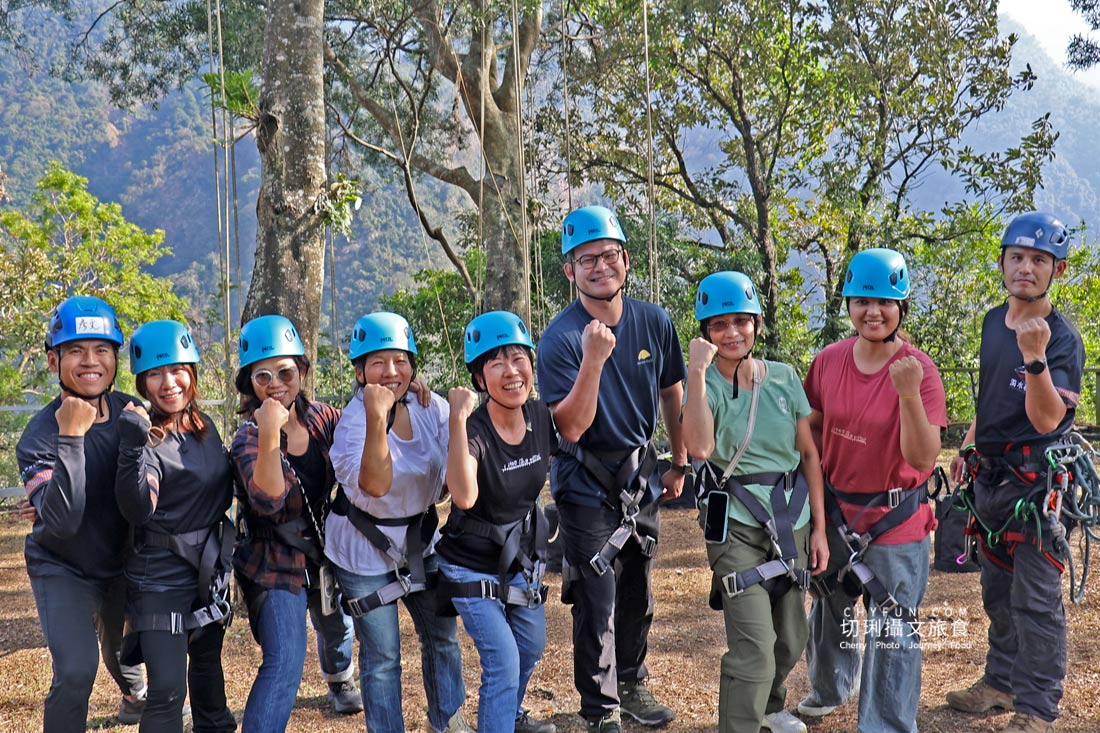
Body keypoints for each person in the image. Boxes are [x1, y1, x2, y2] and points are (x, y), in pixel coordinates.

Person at [536, 204, 688, 733]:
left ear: (626, 259)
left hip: (640, 475)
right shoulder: (560, 338)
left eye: (608, 256)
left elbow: (671, 390)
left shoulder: (653, 320)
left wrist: (679, 460)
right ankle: (600, 708)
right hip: (584, 481)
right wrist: (594, 360)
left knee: (638, 588)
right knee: (595, 595)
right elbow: (569, 428)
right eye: (586, 260)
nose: (600, 267)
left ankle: (630, 680)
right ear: (569, 271)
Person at [944, 212, 1084, 733]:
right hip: (992, 478)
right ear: (1002, 262)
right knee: (997, 592)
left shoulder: (1062, 339)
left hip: (1037, 483)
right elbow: (989, 399)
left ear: (1058, 270)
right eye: (1018, 257)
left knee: (1036, 600)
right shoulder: (989, 321)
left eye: (1039, 260)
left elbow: (1048, 418)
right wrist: (966, 445)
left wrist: (1036, 359)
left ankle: (1037, 708)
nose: (1026, 268)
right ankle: (1000, 683)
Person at [797, 248, 946, 733]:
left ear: (902, 307)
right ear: (848, 304)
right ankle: (830, 687)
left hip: (895, 517)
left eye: (884, 301)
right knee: (829, 604)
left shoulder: (918, 370)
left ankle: (886, 723)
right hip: (839, 511)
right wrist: (813, 516)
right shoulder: (829, 361)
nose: (872, 311)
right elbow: (812, 432)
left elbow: (924, 458)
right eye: (861, 300)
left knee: (893, 627)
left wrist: (906, 391)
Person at [681, 272, 829, 733]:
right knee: (755, 647)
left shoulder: (782, 378)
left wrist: (820, 528)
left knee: (790, 637)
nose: (731, 333)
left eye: (740, 322)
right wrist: (697, 371)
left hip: (792, 517)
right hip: (737, 524)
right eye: (719, 325)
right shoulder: (702, 386)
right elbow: (700, 448)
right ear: (705, 332)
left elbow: (808, 453)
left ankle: (769, 707)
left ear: (757, 324)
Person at [325, 311, 469, 733]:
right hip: (363, 549)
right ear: (359, 370)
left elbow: (451, 475)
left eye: (401, 361)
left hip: (420, 541)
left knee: (443, 637)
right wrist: (376, 416)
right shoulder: (353, 423)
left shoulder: (430, 407)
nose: (392, 371)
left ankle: (448, 722)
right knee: (383, 655)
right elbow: (373, 484)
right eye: (378, 362)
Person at [16, 295, 147, 731]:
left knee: (121, 650)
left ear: (115, 357)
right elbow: (63, 520)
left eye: (101, 349)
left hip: (121, 562)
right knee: (76, 670)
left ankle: (134, 695)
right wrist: (71, 435)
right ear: (54, 361)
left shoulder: (134, 414)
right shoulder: (38, 436)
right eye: (75, 350)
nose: (90, 361)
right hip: (63, 565)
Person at [230, 314, 360, 733]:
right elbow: (268, 499)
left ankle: (340, 678)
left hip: (324, 548)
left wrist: (406, 395)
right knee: (285, 658)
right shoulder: (248, 437)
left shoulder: (325, 418)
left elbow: (369, 431)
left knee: (336, 622)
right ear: (249, 383)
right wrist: (270, 432)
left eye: (285, 372)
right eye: (262, 375)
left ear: (302, 372)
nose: (275, 384)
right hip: (273, 559)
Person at [113, 320, 236, 733]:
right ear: (142, 382)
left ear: (193, 373)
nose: (169, 383)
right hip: (160, 578)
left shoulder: (203, 427)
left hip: (208, 571)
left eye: (177, 370)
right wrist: (132, 446)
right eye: (155, 374)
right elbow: (138, 508)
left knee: (207, 678)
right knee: (167, 691)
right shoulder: (143, 436)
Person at [437, 311, 556, 733]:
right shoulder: (473, 429)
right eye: (496, 362)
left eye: (518, 357)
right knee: (503, 662)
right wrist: (456, 417)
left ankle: (505, 714)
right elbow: (464, 496)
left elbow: (579, 421)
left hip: (519, 561)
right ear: (479, 377)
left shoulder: (540, 417)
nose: (511, 371)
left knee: (530, 647)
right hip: (468, 565)